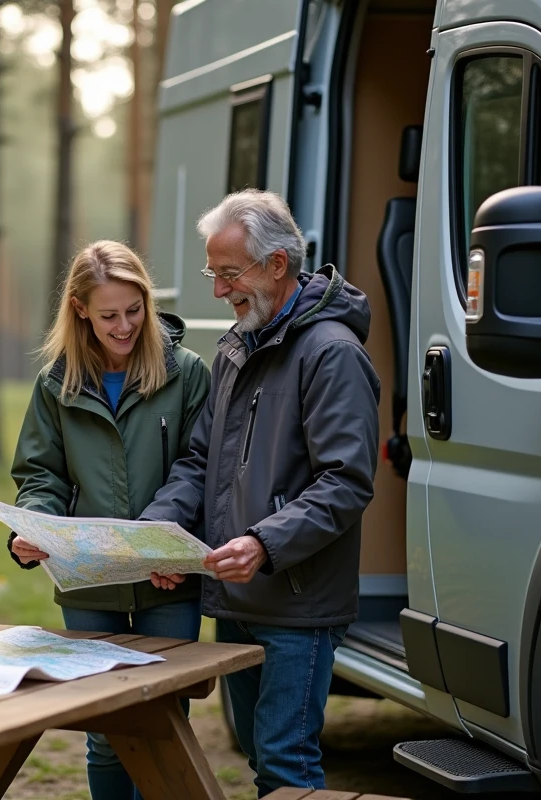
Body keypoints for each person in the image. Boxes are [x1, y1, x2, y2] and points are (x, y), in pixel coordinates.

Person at [142, 188, 381, 796]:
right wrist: (156, 534)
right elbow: (200, 460)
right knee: (258, 754)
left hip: (296, 605)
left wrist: (263, 544)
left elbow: (347, 482)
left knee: (286, 768)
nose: (218, 291)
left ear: (277, 265)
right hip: (236, 599)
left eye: (229, 274)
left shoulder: (332, 354)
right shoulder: (234, 347)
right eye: (213, 274)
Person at [6, 240, 211, 799]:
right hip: (88, 585)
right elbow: (41, 473)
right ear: (79, 310)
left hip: (166, 581)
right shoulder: (57, 383)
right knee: (105, 733)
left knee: (165, 729)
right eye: (108, 315)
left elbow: (199, 467)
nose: (124, 326)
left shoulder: (186, 373)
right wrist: (35, 528)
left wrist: (153, 542)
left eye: (134, 310)